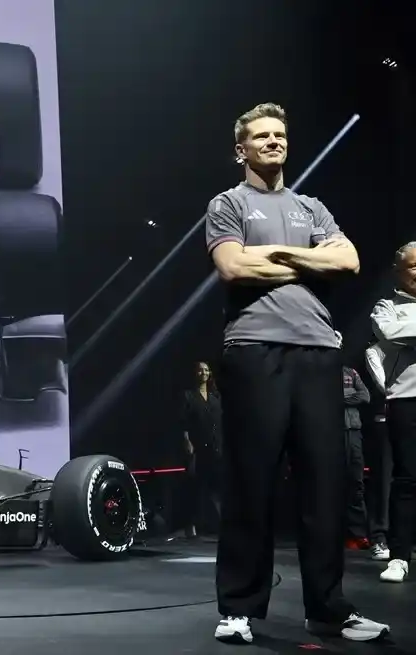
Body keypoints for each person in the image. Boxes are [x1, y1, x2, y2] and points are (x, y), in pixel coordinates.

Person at [204, 103, 388, 643]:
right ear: (242, 149)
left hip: (317, 352)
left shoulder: (312, 207)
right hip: (255, 350)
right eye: (261, 136)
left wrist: (276, 252)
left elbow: (349, 262)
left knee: (326, 486)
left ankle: (328, 609)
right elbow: (235, 266)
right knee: (252, 481)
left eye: (280, 135)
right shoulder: (228, 204)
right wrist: (308, 257)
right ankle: (238, 608)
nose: (273, 142)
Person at [372, 241, 416, 583]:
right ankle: (400, 556)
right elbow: (390, 332)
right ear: (399, 272)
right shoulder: (385, 306)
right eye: (413, 267)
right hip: (406, 399)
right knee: (407, 479)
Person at [181, 361, 222, 537]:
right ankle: (191, 525)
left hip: (215, 447)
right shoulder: (188, 396)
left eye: (206, 370)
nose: (203, 373)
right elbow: (182, 421)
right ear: (195, 373)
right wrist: (186, 441)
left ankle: (218, 524)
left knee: (217, 488)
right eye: (200, 370)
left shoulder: (215, 398)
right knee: (195, 487)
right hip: (197, 447)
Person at [365, 341, 393, 560]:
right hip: (386, 419)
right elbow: (384, 386)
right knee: (383, 480)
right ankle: (379, 537)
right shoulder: (375, 351)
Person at [342, 364, 371, 549]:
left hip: (353, 432)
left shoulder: (350, 372)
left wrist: (337, 397)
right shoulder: (316, 370)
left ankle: (357, 533)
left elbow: (365, 396)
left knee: (356, 483)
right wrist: (350, 394)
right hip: (327, 432)